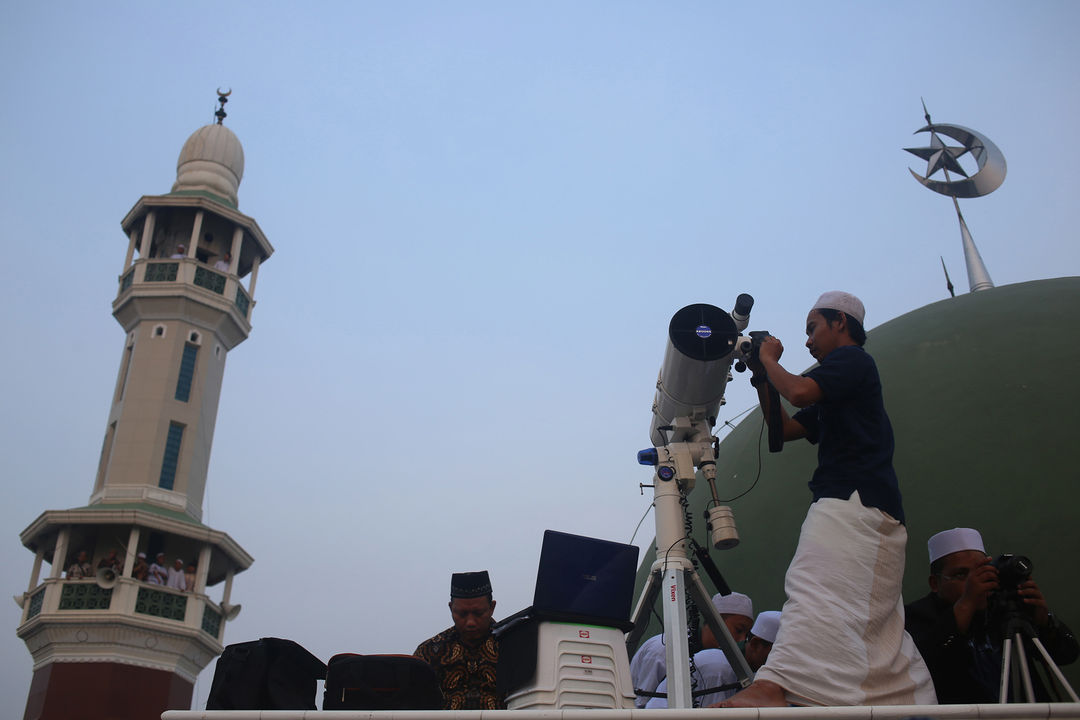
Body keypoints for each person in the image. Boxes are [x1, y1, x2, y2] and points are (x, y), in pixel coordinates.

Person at [722, 291, 934, 707]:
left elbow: (799, 393)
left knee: (812, 587)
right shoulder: (837, 385)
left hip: (855, 500)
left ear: (840, 321)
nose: (807, 341)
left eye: (812, 328)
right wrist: (764, 378)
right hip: (853, 500)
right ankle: (902, 694)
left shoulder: (852, 362)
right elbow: (782, 430)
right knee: (860, 612)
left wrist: (769, 359)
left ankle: (775, 685)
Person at [905, 527, 1079, 703]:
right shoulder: (915, 616)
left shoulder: (1004, 606)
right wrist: (967, 602)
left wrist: (1045, 622)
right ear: (935, 583)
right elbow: (922, 664)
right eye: (962, 574)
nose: (976, 581)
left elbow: (1067, 654)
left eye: (982, 571)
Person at [630, 591, 754, 708]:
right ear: (715, 621)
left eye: (746, 635)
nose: (742, 639)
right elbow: (641, 705)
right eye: (738, 630)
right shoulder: (662, 650)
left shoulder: (722, 664)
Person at [648, 611, 782, 708]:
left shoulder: (751, 673)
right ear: (755, 644)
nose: (781, 661)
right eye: (778, 653)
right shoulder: (718, 666)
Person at [414, 571, 502, 709]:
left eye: (478, 613)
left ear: (492, 608)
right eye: (462, 614)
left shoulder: (512, 645)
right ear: (451, 608)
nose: (470, 622)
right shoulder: (428, 652)